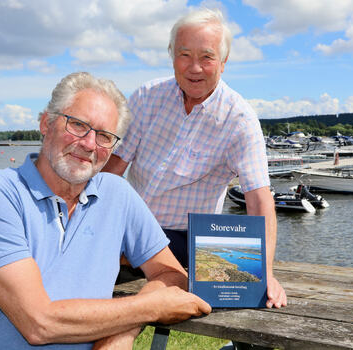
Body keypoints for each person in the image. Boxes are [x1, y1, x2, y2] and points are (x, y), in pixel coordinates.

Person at [0, 72, 211, 350]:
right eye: (78, 125)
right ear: (46, 123)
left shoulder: (116, 194)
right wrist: (151, 308)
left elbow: (171, 274)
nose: (89, 144)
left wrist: (118, 335)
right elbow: (39, 323)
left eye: (105, 136)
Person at [102, 8, 287, 309]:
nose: (194, 68)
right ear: (172, 56)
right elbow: (114, 168)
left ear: (224, 63)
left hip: (184, 239)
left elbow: (258, 198)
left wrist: (265, 272)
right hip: (130, 225)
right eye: (184, 55)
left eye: (207, 57)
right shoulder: (147, 97)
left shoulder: (238, 119)